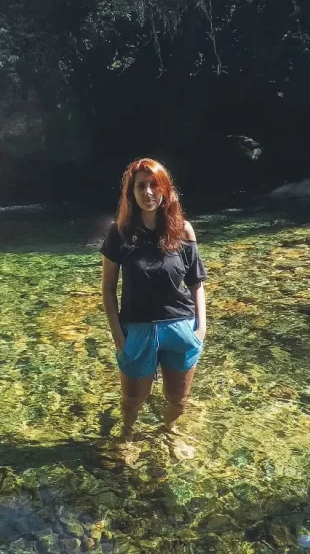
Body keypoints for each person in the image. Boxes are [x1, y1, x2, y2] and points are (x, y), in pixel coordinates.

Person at [100, 158, 208, 444]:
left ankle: (169, 431)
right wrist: (119, 337)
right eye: (141, 186)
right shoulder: (119, 233)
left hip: (181, 328)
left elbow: (196, 283)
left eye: (153, 185)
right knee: (132, 400)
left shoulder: (183, 230)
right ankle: (126, 436)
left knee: (178, 398)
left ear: (164, 190)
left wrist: (200, 330)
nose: (148, 192)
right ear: (131, 193)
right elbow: (108, 289)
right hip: (137, 330)